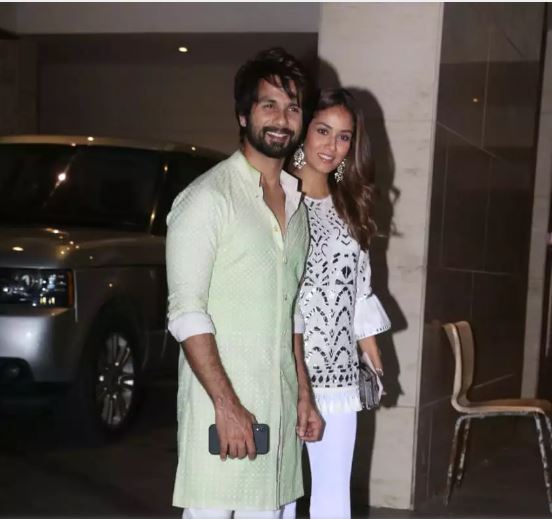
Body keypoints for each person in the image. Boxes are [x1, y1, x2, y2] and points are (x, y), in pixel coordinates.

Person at [165, 47, 323, 519]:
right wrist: (227, 404)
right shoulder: (207, 198)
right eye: (268, 104)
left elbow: (291, 310)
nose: (282, 119)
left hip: (278, 411)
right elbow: (186, 312)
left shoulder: (296, 206)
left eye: (293, 108)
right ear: (243, 114)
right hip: (221, 412)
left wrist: (303, 392)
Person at [286, 89, 392, 519]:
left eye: (344, 137)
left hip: (339, 374)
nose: (332, 146)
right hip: (286, 370)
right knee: (279, 498)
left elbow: (359, 289)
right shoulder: (278, 197)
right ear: (303, 132)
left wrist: (373, 359)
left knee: (333, 498)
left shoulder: (350, 204)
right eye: (323, 131)